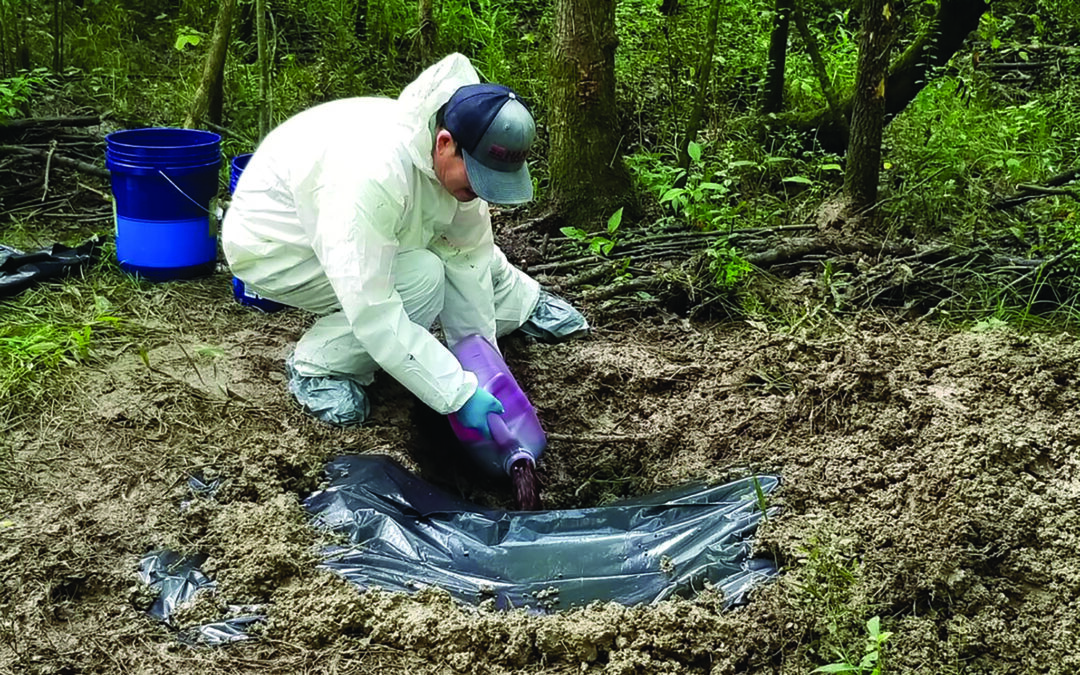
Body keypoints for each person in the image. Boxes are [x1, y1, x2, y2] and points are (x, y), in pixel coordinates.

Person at [222, 53, 587, 431]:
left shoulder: (448, 155)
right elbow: (372, 303)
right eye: (478, 179)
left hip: (362, 223)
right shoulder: (370, 174)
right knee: (423, 278)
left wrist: (485, 367)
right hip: (278, 246)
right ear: (445, 143)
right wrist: (455, 393)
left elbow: (469, 258)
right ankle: (320, 365)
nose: (482, 193)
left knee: (468, 253)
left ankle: (521, 301)